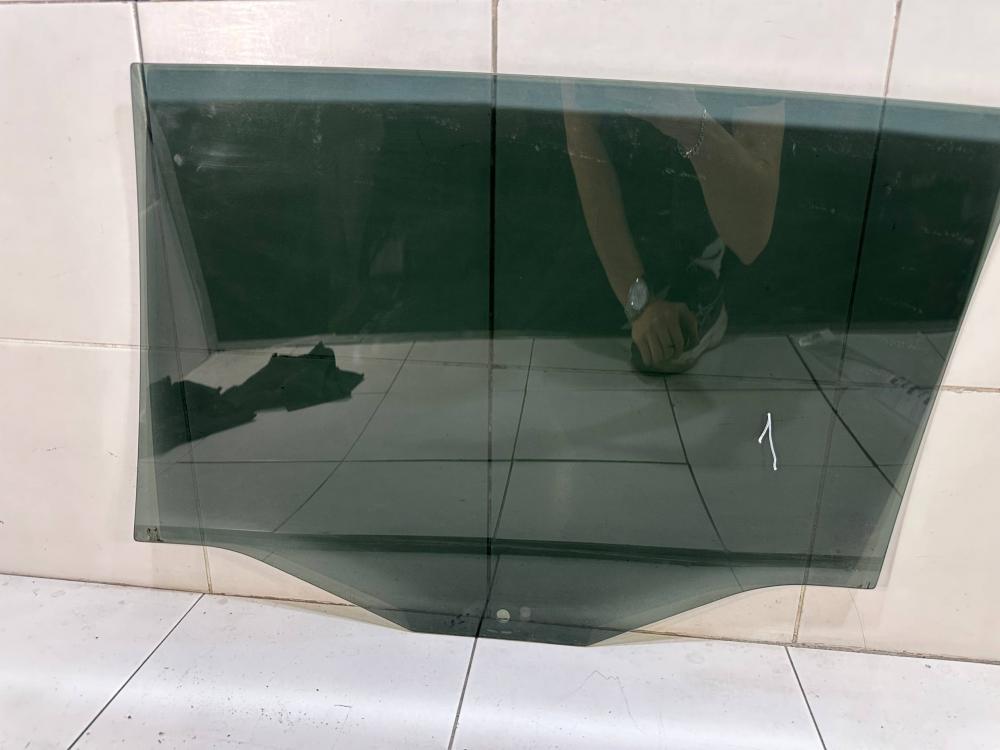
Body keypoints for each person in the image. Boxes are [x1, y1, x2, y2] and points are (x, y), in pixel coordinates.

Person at [562, 84, 785, 371]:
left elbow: (750, 239)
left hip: (720, 279)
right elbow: (584, 146)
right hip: (602, 274)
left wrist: (689, 123)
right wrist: (638, 302)